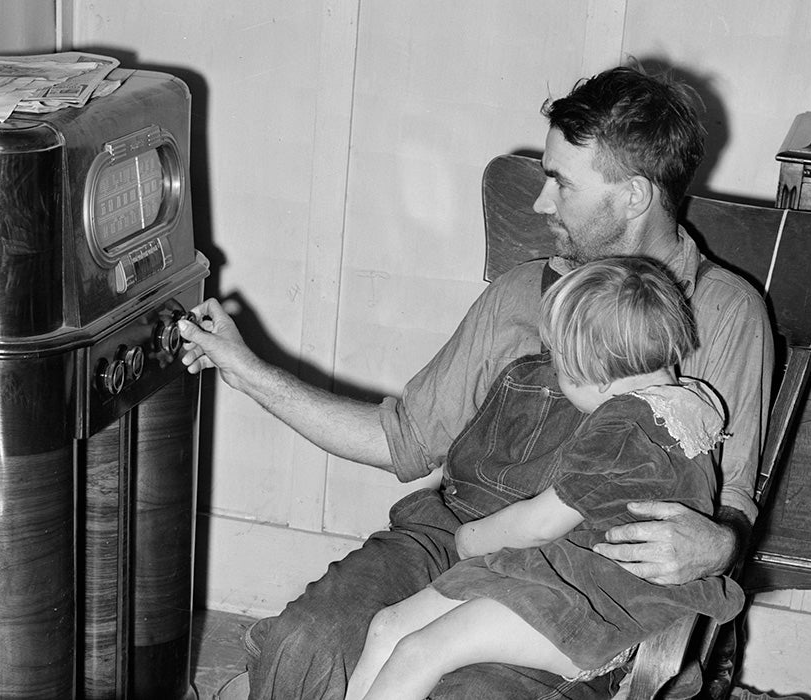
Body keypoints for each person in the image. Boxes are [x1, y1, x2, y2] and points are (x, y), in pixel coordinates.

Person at [177, 63, 772, 699]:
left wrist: (714, 545)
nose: (541, 203)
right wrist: (246, 372)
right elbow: (403, 439)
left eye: (560, 184)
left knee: (469, 692)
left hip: (580, 585)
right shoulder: (522, 292)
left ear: (631, 196)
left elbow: (732, 500)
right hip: (452, 537)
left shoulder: (724, 313)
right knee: (305, 644)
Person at [344, 256, 744, 700]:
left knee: (419, 652)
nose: (554, 373)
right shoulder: (698, 404)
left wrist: (468, 540)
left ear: (591, 368)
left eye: (559, 362)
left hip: (593, 606)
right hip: (568, 579)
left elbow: (538, 524)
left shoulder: (623, 426)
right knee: (388, 628)